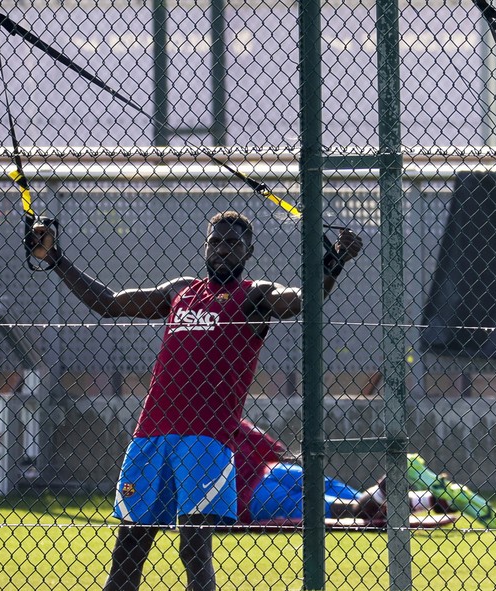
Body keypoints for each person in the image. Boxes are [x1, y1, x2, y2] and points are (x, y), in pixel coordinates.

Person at [29, 211, 363, 591]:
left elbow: (300, 300)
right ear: (205, 246)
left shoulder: (254, 295)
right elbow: (108, 302)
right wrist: (54, 259)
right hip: (151, 435)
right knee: (129, 546)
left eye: (232, 243)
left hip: (205, 440)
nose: (222, 249)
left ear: (249, 250)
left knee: (193, 547)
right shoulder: (181, 291)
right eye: (215, 241)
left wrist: (333, 261)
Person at [232, 419, 451, 524]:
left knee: (341, 509)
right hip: (275, 470)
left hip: (250, 495)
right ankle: (428, 499)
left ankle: (379, 496)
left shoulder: (210, 425)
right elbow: (275, 451)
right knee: (350, 500)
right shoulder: (234, 420)